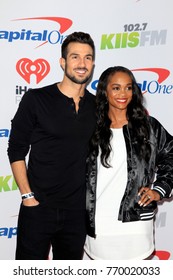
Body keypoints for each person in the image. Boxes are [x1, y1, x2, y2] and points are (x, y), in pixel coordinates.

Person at [7, 31, 96, 260]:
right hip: (38, 208)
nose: (82, 64)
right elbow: (16, 148)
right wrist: (28, 197)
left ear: (93, 63)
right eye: (75, 57)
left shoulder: (98, 106)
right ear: (63, 62)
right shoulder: (36, 99)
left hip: (77, 212)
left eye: (87, 57)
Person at [84, 66, 173, 260]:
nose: (123, 94)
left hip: (137, 226)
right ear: (104, 92)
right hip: (99, 226)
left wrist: (160, 189)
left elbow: (171, 156)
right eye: (116, 88)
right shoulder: (91, 128)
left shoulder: (149, 127)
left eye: (128, 87)